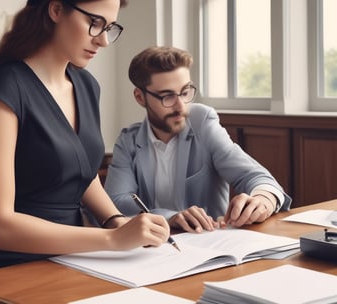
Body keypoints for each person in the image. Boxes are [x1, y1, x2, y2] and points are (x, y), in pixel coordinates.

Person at [0, 2, 170, 303]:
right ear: (57, 9)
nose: (102, 39)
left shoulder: (86, 85)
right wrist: (112, 238)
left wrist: (114, 219)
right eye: (95, 22)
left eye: (109, 27)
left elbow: (81, 171)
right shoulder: (5, 85)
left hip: (63, 259)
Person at [104, 46, 292, 234]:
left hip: (212, 242)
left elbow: (254, 176)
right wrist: (169, 217)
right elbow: (117, 201)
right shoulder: (128, 140)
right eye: (167, 96)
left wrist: (264, 199)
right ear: (140, 97)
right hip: (153, 248)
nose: (181, 106)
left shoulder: (202, 122)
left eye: (185, 92)